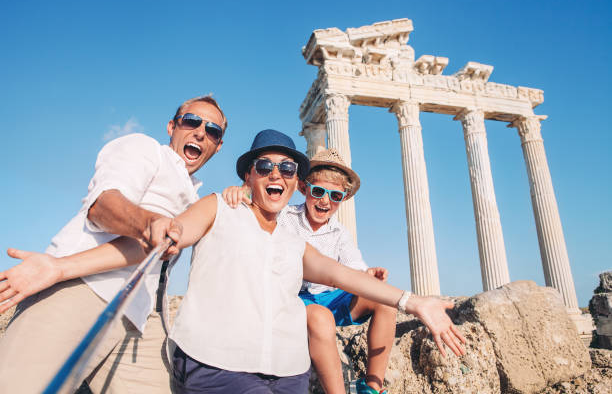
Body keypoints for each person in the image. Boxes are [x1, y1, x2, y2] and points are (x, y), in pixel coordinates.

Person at [2, 129, 465, 394]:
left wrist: (413, 301)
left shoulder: (292, 238)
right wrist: (60, 268)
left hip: (286, 370)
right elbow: (157, 242)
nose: (277, 175)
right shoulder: (219, 207)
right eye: (265, 167)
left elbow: (342, 274)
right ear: (248, 174)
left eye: (287, 169)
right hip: (218, 365)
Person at [0, 95, 227, 393]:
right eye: (192, 121)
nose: (201, 131)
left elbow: (146, 252)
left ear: (218, 145)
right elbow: (103, 204)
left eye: (212, 130)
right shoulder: (144, 148)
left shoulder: (195, 197)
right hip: (79, 290)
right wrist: (148, 223)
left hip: (141, 319)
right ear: (172, 126)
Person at [222, 148, 396, 394]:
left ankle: (372, 387)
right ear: (303, 189)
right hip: (292, 299)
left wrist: (369, 275)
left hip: (330, 299)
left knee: (385, 299)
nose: (325, 200)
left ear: (343, 199)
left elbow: (356, 268)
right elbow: (259, 206)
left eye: (335, 196)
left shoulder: (340, 234)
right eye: (318, 192)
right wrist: (243, 191)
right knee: (319, 317)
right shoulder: (285, 216)